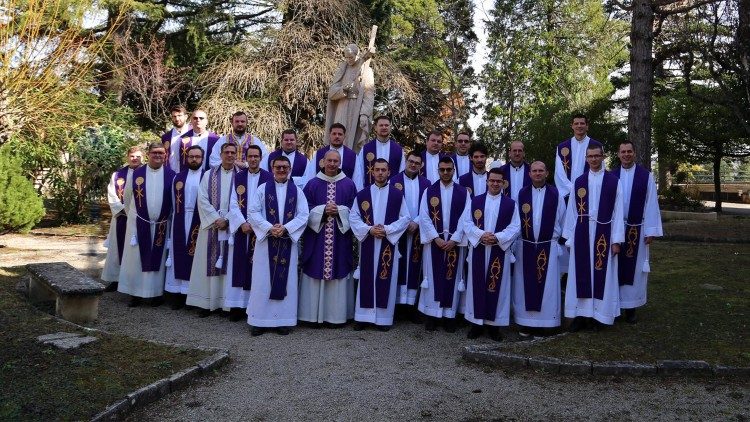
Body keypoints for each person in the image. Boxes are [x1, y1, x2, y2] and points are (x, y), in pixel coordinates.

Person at [562, 144, 624, 329]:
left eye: (597, 156)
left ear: (603, 157)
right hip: (582, 233)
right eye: (590, 156)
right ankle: (580, 315)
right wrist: (569, 237)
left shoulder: (613, 181)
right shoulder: (579, 182)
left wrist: (616, 240)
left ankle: (599, 316)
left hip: (604, 232)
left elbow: (618, 211)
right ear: (586, 158)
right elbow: (572, 211)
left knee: (602, 276)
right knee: (579, 274)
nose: (594, 159)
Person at [246, 155, 310, 335]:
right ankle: (258, 321)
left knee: (287, 281)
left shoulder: (297, 191)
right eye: (278, 167)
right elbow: (252, 212)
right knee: (262, 281)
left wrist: (286, 228)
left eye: (285, 167)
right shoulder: (262, 188)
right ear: (272, 168)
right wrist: (268, 228)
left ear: (290, 170)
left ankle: (283, 320)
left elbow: (304, 214)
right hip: (266, 242)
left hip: (286, 241)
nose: (281, 170)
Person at [298, 150, 358, 326]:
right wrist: (322, 210)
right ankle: (310, 316)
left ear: (340, 163)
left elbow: (354, 211)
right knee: (315, 268)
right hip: (317, 239)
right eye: (329, 160)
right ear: (322, 162)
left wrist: (340, 211)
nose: (332, 164)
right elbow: (304, 209)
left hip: (339, 239)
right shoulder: (312, 184)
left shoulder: (348, 184)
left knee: (339, 268)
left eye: (336, 161)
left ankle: (336, 316)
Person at [350, 159, 411, 330]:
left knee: (386, 278)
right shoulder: (362, 195)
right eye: (377, 169)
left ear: (389, 172)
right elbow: (353, 217)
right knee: (366, 278)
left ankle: (383, 319)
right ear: (372, 172)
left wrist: (387, 229)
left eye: (384, 170)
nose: (380, 173)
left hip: (387, 243)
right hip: (369, 242)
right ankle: (362, 318)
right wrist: (369, 230)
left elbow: (405, 218)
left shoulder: (397, 195)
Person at [463, 168, 520, 340]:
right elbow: (466, 223)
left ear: (503, 183)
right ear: (487, 181)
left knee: (499, 287)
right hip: (479, 248)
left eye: (498, 181)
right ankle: (476, 323)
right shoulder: (475, 201)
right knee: (476, 286)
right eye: (492, 180)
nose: (495, 184)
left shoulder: (511, 204)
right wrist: (481, 235)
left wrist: (497, 237)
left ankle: (495, 326)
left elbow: (515, 226)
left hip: (498, 250)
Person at [118, 142, 176, 307]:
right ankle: (135, 294)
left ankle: (156, 294)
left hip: (162, 225)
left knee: (157, 259)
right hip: (138, 223)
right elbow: (128, 198)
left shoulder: (171, 175)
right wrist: (135, 218)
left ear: (165, 156)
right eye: (154, 153)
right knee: (136, 260)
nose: (158, 156)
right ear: (148, 154)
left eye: (161, 153)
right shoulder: (137, 174)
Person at [512, 161, 566, 333]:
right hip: (526, 246)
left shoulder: (556, 194)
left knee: (548, 287)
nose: (537, 173)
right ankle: (525, 322)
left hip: (547, 246)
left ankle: (546, 323)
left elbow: (563, 219)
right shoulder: (521, 194)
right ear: (529, 174)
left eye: (540, 170)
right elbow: (515, 221)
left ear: (546, 173)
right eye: (534, 171)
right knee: (523, 286)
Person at [417, 157, 470, 332]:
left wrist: (455, 238)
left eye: (449, 169)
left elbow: (466, 217)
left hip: (454, 241)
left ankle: (449, 316)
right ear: (438, 171)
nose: (446, 172)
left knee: (452, 278)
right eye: (442, 169)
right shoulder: (429, 191)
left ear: (454, 170)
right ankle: (432, 315)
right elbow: (424, 216)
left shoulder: (463, 192)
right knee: (433, 277)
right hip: (435, 242)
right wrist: (435, 238)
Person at [186, 143, 238, 317]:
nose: (229, 155)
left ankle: (227, 304)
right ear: (221, 154)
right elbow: (202, 199)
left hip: (232, 229)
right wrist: (216, 219)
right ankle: (207, 303)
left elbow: (243, 202)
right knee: (207, 262)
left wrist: (229, 219)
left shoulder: (241, 176)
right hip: (212, 226)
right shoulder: (209, 174)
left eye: (233, 153)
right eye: (226, 152)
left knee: (230, 265)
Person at [613, 141, 662, 323]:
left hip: (637, 228)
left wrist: (650, 230)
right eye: (623, 151)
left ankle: (631, 307)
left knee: (634, 270)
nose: (626, 154)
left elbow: (651, 204)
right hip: (615, 229)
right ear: (618, 154)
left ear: (634, 153)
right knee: (615, 266)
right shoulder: (612, 176)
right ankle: (615, 305)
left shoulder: (645, 176)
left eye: (629, 151)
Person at [225, 145, 273, 321]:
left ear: (261, 158)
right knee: (238, 264)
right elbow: (232, 203)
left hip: (259, 230)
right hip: (242, 230)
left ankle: (255, 305)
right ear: (246, 158)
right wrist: (241, 223)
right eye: (250, 156)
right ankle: (237, 306)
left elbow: (270, 204)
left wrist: (256, 224)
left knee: (257, 267)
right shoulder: (238, 177)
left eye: (256, 156)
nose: (253, 159)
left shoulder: (268, 178)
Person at [554, 114, 603, 275]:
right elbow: (559, 174)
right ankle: (566, 274)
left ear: (587, 126)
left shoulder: (596, 145)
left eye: (582, 123)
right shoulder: (563, 147)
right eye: (576, 123)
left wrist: (586, 189)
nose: (579, 126)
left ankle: (587, 267)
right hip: (568, 197)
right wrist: (574, 189)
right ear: (572, 126)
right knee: (567, 232)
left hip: (591, 198)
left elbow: (599, 171)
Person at [164, 145, 204, 310]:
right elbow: (173, 202)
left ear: (202, 159)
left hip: (199, 220)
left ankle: (193, 295)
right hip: (180, 219)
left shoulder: (206, 176)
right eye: (191, 156)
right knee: (177, 253)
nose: (194, 159)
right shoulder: (177, 178)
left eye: (197, 157)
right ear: (186, 158)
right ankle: (177, 294)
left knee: (196, 256)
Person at [390, 151, 431, 312]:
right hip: (400, 231)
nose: (413, 164)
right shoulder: (394, 181)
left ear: (421, 166)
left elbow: (429, 208)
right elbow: (391, 206)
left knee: (416, 265)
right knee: (398, 265)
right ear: (405, 162)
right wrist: (405, 223)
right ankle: (398, 305)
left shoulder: (427, 184)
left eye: (417, 163)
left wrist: (417, 221)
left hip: (418, 230)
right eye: (410, 161)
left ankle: (412, 306)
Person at [101, 146, 143, 290]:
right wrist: (125, 210)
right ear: (127, 157)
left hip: (140, 218)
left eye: (138, 156)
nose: (135, 158)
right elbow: (112, 195)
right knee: (116, 248)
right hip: (121, 217)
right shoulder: (117, 175)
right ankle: (115, 279)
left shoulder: (147, 173)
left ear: (143, 157)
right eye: (132, 156)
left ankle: (132, 280)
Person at [325, 43, 375, 151]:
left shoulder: (366, 70)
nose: (349, 60)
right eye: (346, 57)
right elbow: (331, 93)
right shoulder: (342, 69)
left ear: (357, 55)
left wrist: (364, 114)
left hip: (356, 107)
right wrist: (343, 89)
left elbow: (369, 94)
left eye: (351, 57)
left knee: (353, 139)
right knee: (339, 133)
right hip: (342, 106)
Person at [353, 115, 405, 191]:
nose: (384, 127)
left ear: (390, 128)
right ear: (375, 128)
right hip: (370, 192)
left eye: (387, 125)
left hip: (391, 192)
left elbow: (401, 173)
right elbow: (359, 173)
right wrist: (361, 192)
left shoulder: (398, 150)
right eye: (381, 125)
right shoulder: (366, 149)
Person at [163, 105, 192, 170]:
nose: (177, 119)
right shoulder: (166, 137)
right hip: (171, 174)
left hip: (188, 173)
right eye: (174, 116)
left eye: (179, 115)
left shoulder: (193, 133)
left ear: (186, 117)